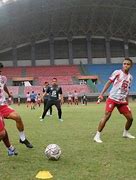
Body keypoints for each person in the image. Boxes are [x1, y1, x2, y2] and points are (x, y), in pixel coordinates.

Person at [94, 58, 135, 143]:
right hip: (112, 98)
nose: (125, 65)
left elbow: (127, 90)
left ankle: (125, 133)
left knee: (130, 118)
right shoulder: (117, 72)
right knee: (107, 116)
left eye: (128, 64)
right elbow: (109, 82)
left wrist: (126, 101)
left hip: (122, 101)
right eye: (124, 63)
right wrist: (101, 94)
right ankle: (97, 136)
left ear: (131, 66)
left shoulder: (130, 77)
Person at [0, 63, 33, 148]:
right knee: (2, 132)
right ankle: (9, 148)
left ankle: (22, 138)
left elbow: (3, 86)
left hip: (3, 105)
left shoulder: (3, 78)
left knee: (17, 117)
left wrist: (8, 94)